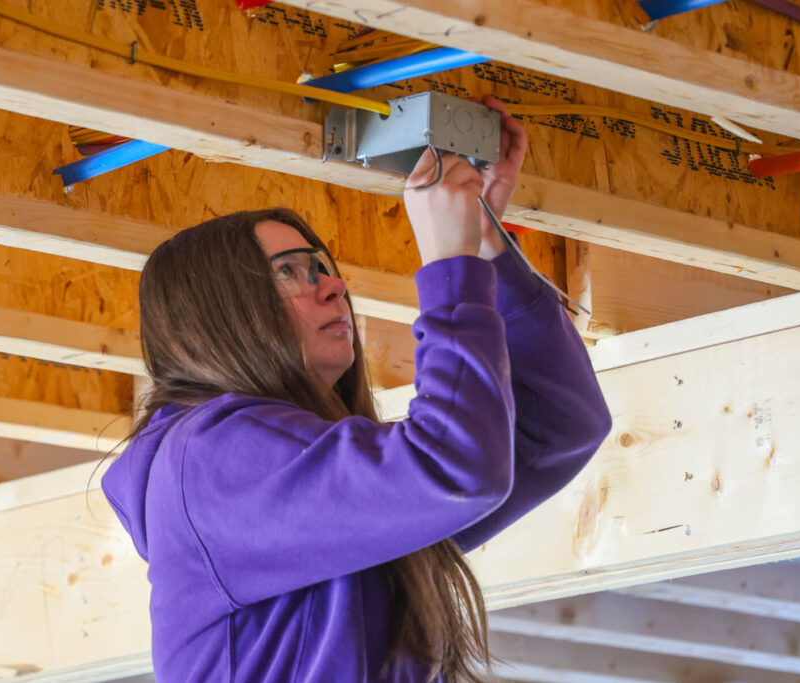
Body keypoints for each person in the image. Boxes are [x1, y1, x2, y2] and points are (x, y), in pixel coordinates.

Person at [101, 97, 612, 682]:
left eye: (321, 267)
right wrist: (449, 264)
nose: (334, 286)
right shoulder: (208, 461)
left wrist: (482, 244)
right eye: (289, 272)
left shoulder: (313, 494)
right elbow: (455, 466)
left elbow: (557, 426)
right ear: (220, 313)